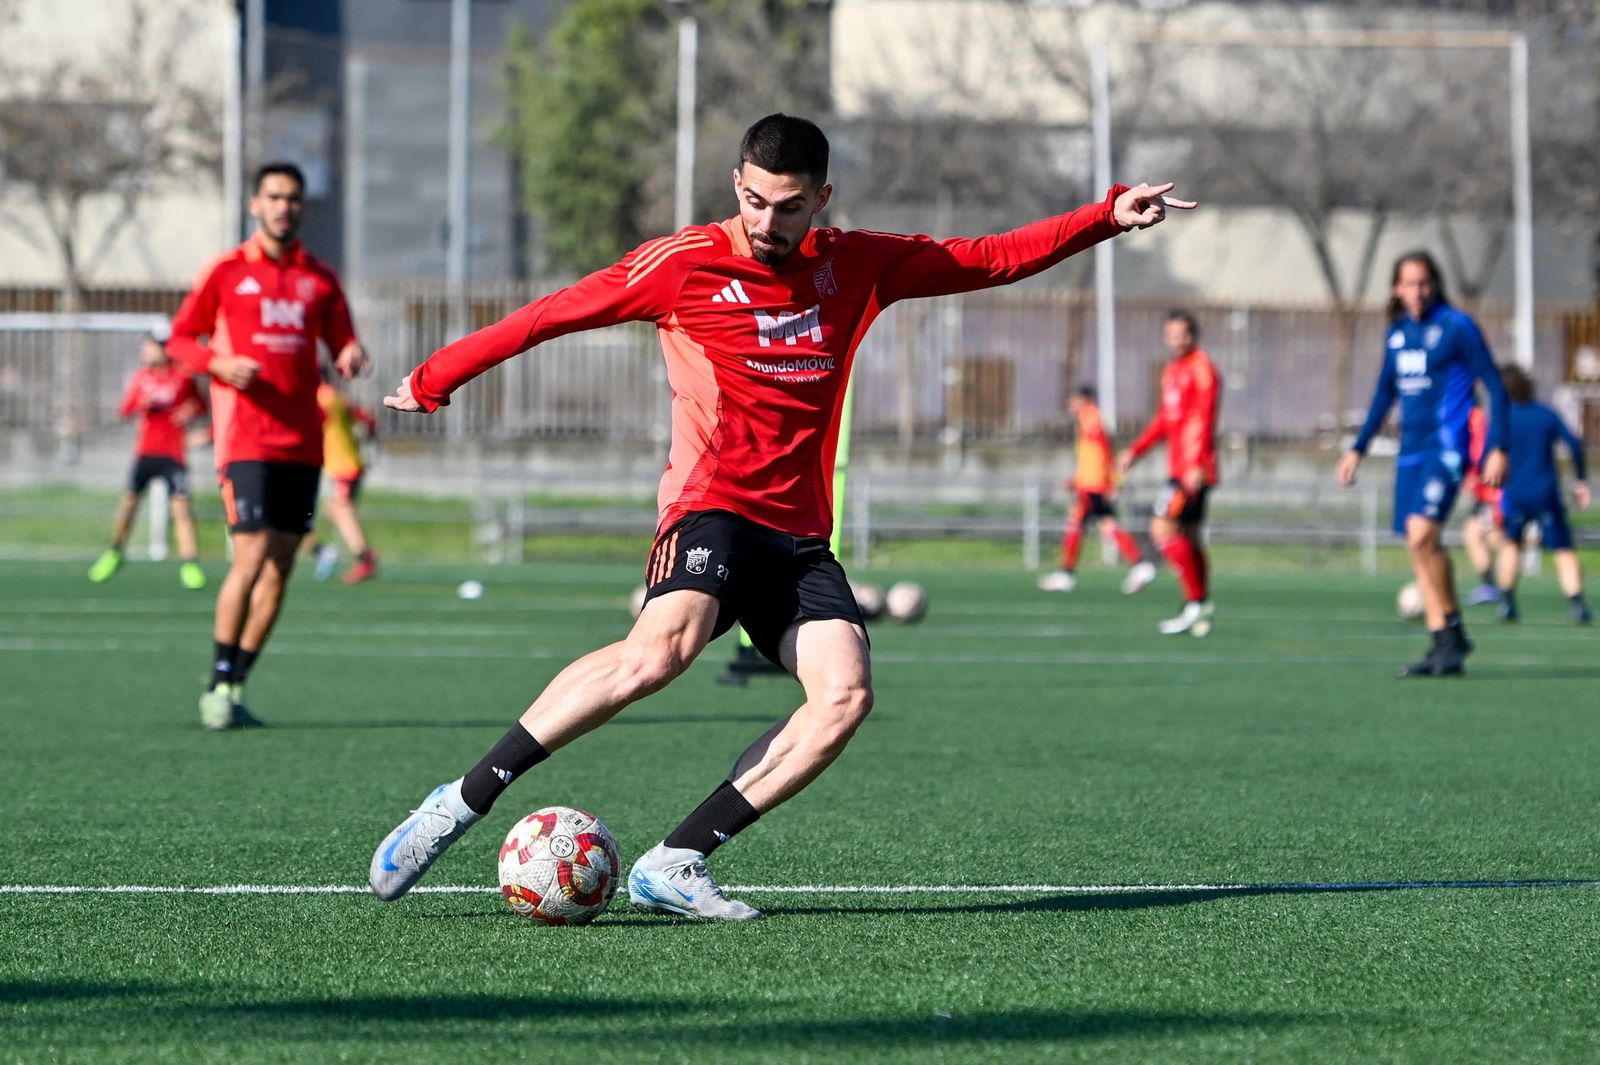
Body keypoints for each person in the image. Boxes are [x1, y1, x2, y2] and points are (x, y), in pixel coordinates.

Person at [368, 113, 1195, 918]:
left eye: (789, 206)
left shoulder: (859, 266)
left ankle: (675, 859)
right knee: (662, 651)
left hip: (797, 536)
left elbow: (988, 258)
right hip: (712, 506)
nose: (768, 222)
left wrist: (1105, 216)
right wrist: (437, 376)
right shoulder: (683, 264)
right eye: (755, 201)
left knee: (845, 695)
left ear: (821, 199)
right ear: (737, 184)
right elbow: (550, 313)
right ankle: (461, 800)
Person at [168, 162, 369, 730]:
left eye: (293, 198)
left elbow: (343, 340)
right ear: (254, 204)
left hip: (304, 444)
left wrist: (350, 352)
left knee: (280, 568)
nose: (284, 207)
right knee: (252, 555)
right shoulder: (227, 271)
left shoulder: (320, 279)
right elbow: (181, 339)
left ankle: (235, 685)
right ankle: (216, 682)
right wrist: (218, 363)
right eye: (274, 197)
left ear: (302, 207)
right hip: (246, 441)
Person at [1337, 250, 1508, 676]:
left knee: (1421, 534)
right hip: (1409, 454)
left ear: (1435, 284)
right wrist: (1358, 448)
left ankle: (1452, 633)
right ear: (1397, 288)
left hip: (1447, 450)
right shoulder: (1397, 333)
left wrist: (1497, 446)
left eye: (1424, 282)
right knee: (1418, 546)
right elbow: (1384, 393)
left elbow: (1495, 385)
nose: (1417, 291)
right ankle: (1442, 643)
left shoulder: (1457, 326)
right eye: (1409, 284)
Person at [1115, 311, 1220, 636]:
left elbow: (1205, 418)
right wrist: (1135, 451)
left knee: (1161, 528)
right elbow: (1164, 419)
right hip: (1180, 467)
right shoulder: (1172, 370)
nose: (1176, 341)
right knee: (1189, 536)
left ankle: (1194, 602)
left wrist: (1196, 463)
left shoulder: (1202, 368)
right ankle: (1200, 603)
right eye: (1170, 335)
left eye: (1181, 334)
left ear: (1193, 335)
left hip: (1191, 470)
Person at [88, 330, 207, 590]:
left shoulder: (183, 377)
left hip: (174, 454)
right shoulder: (142, 378)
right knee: (129, 504)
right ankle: (115, 552)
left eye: (153, 347)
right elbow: (125, 410)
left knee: (181, 509)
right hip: (146, 452)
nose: (148, 351)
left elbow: (201, 405)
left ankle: (190, 564)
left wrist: (190, 411)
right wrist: (141, 403)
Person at [1489, 364, 1590, 624]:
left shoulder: (1502, 418)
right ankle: (1577, 604)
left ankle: (1507, 603)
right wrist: (1580, 478)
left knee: (1511, 544)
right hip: (1545, 492)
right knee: (1563, 548)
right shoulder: (1545, 415)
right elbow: (1574, 445)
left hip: (1514, 493)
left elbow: (1489, 455)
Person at [1038, 386, 1155, 594]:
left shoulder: (1090, 417)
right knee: (1107, 525)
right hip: (1091, 482)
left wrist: (1110, 481)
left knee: (1077, 523)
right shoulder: (1087, 418)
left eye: (1074, 400)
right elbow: (1092, 455)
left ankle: (1066, 574)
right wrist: (1077, 479)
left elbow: (1102, 449)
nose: (1070, 404)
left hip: (1093, 484)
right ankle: (1139, 565)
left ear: (1085, 399)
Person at [307, 373, 380, 584]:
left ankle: (365, 558)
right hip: (348, 462)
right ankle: (361, 555)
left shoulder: (320, 398)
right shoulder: (337, 396)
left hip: (342, 466)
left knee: (342, 509)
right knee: (334, 509)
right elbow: (367, 418)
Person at [1460, 406, 1503, 606]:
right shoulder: (1471, 416)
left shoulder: (1474, 417)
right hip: (1486, 493)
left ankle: (1496, 588)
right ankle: (1494, 587)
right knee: (1480, 536)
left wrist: (1473, 474)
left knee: (1484, 538)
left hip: (1491, 494)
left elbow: (1478, 450)